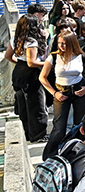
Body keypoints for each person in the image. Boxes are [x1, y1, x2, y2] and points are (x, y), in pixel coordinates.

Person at [40, 30, 85, 158]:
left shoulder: (81, 56)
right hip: (61, 91)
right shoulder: (54, 57)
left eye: (64, 44)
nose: (61, 46)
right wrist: (54, 93)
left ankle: (81, 153)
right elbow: (42, 77)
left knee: (81, 124)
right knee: (59, 127)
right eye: (59, 43)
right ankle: (50, 156)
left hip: (79, 89)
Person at [6, 14, 48, 142]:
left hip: (19, 72)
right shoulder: (31, 42)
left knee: (23, 106)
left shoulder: (15, 39)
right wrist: (48, 64)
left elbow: (8, 56)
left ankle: (27, 133)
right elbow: (32, 62)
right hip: (31, 75)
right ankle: (38, 135)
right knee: (36, 105)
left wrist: (20, 63)